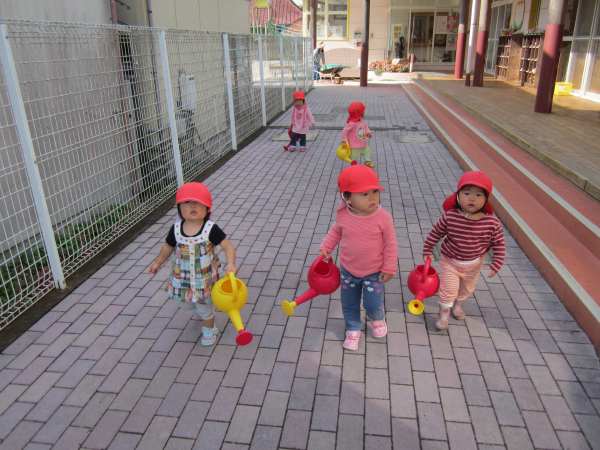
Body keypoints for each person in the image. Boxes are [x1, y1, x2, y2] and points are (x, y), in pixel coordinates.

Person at [320, 163, 398, 351]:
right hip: (348, 270)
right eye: (364, 194)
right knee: (349, 302)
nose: (372, 198)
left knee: (372, 302)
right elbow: (335, 231)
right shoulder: (344, 216)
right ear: (347, 197)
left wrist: (389, 267)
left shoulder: (383, 218)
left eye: (375, 192)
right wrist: (326, 247)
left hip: (374, 272)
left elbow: (391, 244)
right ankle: (353, 329)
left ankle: (376, 318)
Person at [148, 182, 237, 346]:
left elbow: (227, 246)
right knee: (186, 304)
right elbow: (168, 247)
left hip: (204, 279)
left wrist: (231, 263)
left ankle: (209, 330)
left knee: (204, 308)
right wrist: (157, 262)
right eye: (187, 203)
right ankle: (203, 313)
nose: (193, 206)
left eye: (198, 203)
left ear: (207, 209)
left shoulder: (210, 229)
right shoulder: (176, 229)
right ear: (179, 208)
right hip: (183, 278)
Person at [422, 171, 506, 330]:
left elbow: (499, 244)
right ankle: (444, 314)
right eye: (466, 193)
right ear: (458, 196)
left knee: (467, 289)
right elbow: (435, 233)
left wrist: (497, 263)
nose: (472, 198)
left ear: (486, 199)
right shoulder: (450, 216)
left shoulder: (491, 223)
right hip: (450, 261)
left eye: (478, 195)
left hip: (473, 265)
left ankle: (458, 305)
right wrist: (427, 250)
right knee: (448, 289)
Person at [341, 101, 374, 167]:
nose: (364, 112)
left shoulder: (361, 121)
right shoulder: (352, 123)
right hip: (354, 146)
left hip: (363, 143)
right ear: (359, 113)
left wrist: (368, 133)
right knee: (354, 157)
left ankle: (367, 161)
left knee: (367, 151)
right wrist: (344, 140)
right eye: (363, 111)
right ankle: (354, 166)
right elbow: (344, 131)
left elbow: (365, 127)